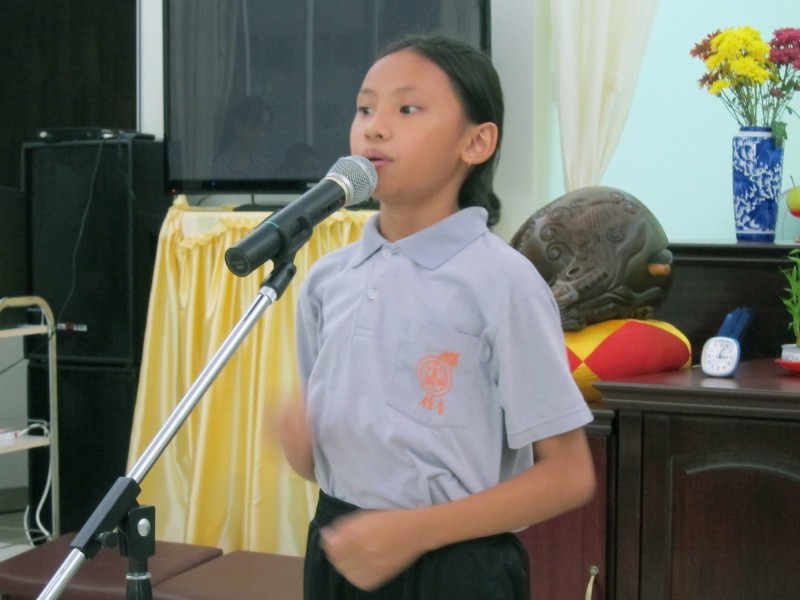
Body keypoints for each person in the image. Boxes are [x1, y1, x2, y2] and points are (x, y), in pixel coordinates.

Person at [279, 33, 596, 600]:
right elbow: (325, 460)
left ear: (476, 143)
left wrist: (414, 532)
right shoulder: (328, 281)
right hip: (342, 548)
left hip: (456, 565)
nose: (374, 128)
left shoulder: (503, 283)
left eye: (407, 109)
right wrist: (301, 444)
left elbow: (568, 476)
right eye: (365, 108)